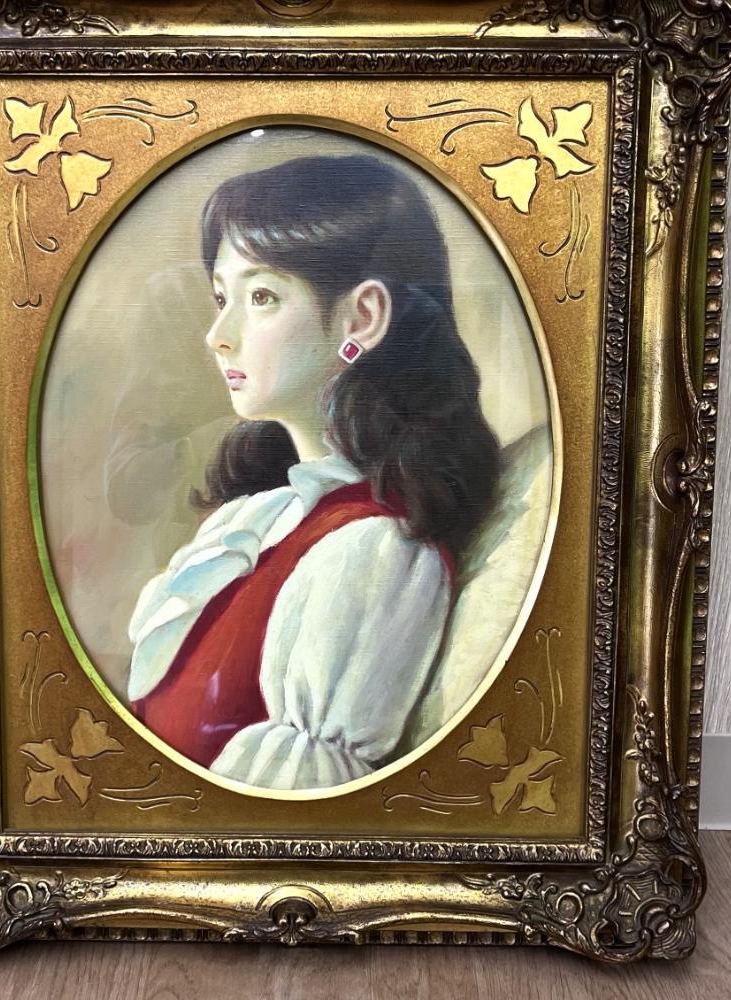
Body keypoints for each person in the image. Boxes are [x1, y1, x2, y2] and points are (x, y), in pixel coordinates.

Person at [125, 152, 503, 791]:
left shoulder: (373, 552)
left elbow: (293, 812)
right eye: (222, 297)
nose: (218, 334)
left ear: (362, 319)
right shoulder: (261, 519)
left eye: (262, 297)